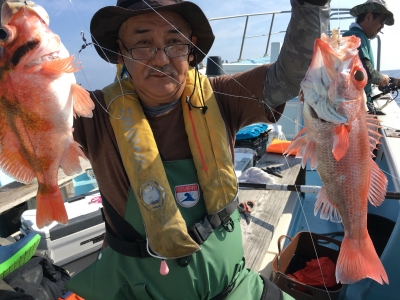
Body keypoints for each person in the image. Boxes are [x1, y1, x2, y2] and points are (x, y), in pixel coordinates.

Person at [65, 0, 330, 299]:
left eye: (174, 42)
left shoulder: (221, 97)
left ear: (191, 48)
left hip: (236, 288)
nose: (161, 59)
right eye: (142, 43)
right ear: (121, 52)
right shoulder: (90, 112)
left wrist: (312, 6)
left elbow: (290, 78)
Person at [343, 0, 399, 114]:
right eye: (381, 21)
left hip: (357, 105)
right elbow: (366, 73)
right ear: (368, 17)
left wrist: (390, 80)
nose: (382, 26)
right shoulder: (356, 36)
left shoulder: (357, 35)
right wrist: (382, 78)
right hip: (356, 108)